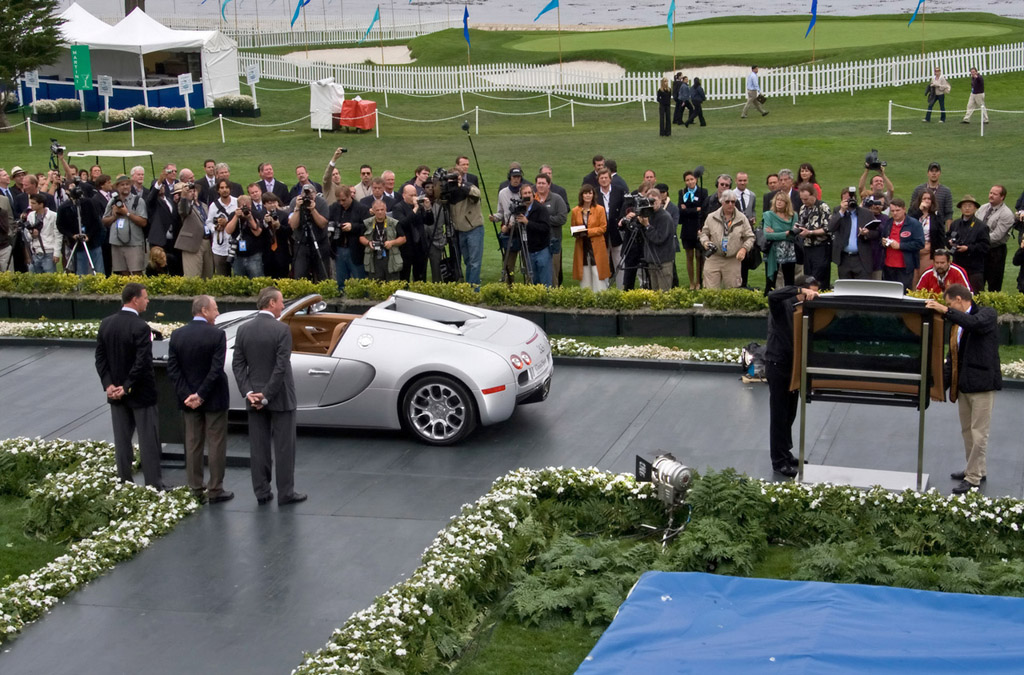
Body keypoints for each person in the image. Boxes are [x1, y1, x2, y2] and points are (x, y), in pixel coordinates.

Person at [232, 287, 306, 506]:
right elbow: (281, 367)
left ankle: (262, 493)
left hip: (254, 399)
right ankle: (286, 493)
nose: (283, 306)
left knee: (258, 447)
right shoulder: (282, 330)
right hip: (280, 398)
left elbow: (238, 364)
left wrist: (250, 393)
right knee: (284, 448)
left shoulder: (243, 329)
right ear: (271, 303)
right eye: (281, 302)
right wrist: (267, 395)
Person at [925, 285, 1000, 494]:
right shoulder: (956, 326)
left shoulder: (986, 314)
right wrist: (940, 387)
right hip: (965, 387)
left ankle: (973, 478)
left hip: (982, 386)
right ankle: (975, 469)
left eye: (950, 304)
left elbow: (974, 324)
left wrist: (946, 311)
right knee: (968, 432)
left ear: (959, 299)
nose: (948, 308)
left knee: (979, 434)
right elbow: (953, 360)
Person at [94, 283, 164, 489]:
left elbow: (100, 359)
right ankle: (153, 483)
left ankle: (124, 481)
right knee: (148, 440)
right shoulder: (141, 327)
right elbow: (142, 362)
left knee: (122, 441)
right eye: (145, 297)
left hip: (115, 395)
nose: (148, 300)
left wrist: (109, 385)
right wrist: (127, 386)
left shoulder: (106, 323)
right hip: (140, 393)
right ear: (135, 299)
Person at [167, 295, 233, 504]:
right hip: (213, 399)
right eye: (215, 309)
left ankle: (195, 488)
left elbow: (173, 370)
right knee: (216, 443)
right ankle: (215, 489)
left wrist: (189, 394)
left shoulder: (177, 335)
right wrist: (201, 394)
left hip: (188, 401)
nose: (217, 313)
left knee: (193, 443)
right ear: (204, 311)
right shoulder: (217, 335)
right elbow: (216, 369)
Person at [765, 278, 820, 478]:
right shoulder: (782, 305)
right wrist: (799, 289)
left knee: (789, 414)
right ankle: (778, 461)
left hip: (793, 367)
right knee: (779, 416)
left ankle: (785, 454)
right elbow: (772, 295)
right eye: (808, 294)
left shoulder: (803, 310)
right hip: (778, 365)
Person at [699, 189, 754, 289]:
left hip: (732, 259)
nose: (730, 204)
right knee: (710, 292)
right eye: (727, 202)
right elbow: (703, 234)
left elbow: (750, 237)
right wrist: (705, 242)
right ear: (722, 202)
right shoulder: (711, 217)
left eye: (733, 202)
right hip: (714, 258)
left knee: (731, 293)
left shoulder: (742, 218)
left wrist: (744, 249)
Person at [506, 184, 552, 286]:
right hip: (528, 250)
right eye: (525, 193)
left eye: (529, 193)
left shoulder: (540, 209)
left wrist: (528, 222)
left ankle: (547, 299)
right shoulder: (520, 210)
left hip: (541, 249)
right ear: (521, 196)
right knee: (533, 280)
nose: (527, 195)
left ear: (533, 194)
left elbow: (545, 228)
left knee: (545, 280)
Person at [102, 174, 148, 276]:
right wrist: (115, 216)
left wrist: (126, 213)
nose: (125, 187)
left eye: (127, 184)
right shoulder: (113, 201)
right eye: (122, 185)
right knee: (122, 273)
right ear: (117, 187)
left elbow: (143, 222)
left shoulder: (138, 201)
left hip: (134, 242)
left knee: (136, 271)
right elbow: (104, 221)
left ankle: (138, 291)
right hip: (116, 242)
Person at [829, 187, 878, 281]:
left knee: (863, 289)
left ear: (856, 199)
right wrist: (842, 211)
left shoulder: (866, 213)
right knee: (845, 290)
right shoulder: (838, 211)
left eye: (851, 199)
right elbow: (831, 228)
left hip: (861, 258)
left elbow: (876, 233)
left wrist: (867, 233)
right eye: (846, 200)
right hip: (844, 259)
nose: (849, 202)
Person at [448, 169, 485, 287]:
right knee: (468, 261)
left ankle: (473, 288)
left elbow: (477, 194)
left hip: (474, 228)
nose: (455, 181)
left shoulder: (469, 187)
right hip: (460, 231)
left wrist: (461, 186)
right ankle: (470, 285)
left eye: (457, 178)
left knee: (474, 262)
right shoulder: (450, 192)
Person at [878, 197, 924, 291]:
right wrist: (883, 242)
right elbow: (881, 239)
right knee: (888, 294)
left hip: (904, 268)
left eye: (897, 210)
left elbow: (920, 243)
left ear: (904, 209)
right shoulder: (888, 223)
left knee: (903, 294)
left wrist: (900, 246)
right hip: (888, 267)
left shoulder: (914, 224)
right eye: (892, 211)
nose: (895, 213)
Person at [328, 185, 368, 291]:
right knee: (340, 281)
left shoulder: (361, 209)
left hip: (355, 249)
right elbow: (329, 222)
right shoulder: (334, 208)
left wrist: (352, 226)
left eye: (344, 200)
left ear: (350, 196)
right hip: (339, 249)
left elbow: (367, 226)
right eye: (339, 200)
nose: (341, 203)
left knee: (359, 280)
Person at [570, 184, 609, 291]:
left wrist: (588, 232)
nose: (587, 196)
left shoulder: (600, 209)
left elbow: (603, 228)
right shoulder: (575, 211)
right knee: (584, 272)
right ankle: (586, 296)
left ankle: (600, 296)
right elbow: (573, 227)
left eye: (590, 193)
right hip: (582, 245)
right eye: (585, 193)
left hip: (596, 245)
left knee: (597, 272)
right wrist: (576, 232)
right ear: (581, 195)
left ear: (593, 195)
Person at [288, 184, 331, 282]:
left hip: (319, 243)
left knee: (322, 275)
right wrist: (297, 208)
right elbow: (293, 225)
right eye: (305, 193)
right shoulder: (295, 202)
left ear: (315, 193)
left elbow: (322, 224)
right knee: (300, 276)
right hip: (301, 244)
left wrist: (313, 210)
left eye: (310, 193)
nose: (308, 196)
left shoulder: (321, 203)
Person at [948, 195, 990, 293]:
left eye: (970, 206)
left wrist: (968, 248)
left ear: (975, 208)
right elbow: (948, 237)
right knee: (956, 293)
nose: (967, 208)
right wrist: (950, 243)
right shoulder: (955, 224)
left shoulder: (981, 226)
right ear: (960, 208)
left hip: (974, 268)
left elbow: (985, 246)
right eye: (964, 206)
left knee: (976, 295)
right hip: (958, 266)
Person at [977, 185, 1015, 292]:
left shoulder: (1006, 214)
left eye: (995, 194)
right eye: (990, 193)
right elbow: (974, 224)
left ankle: (993, 306)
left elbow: (997, 236)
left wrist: (978, 240)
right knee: (978, 282)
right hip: (980, 251)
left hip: (995, 252)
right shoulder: (983, 208)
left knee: (994, 285)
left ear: (1002, 197)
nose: (991, 195)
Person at [637, 189, 676, 290]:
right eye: (649, 201)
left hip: (663, 261)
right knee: (655, 293)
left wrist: (647, 226)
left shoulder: (665, 217)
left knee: (664, 294)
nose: (652, 203)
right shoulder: (648, 215)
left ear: (660, 200)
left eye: (654, 201)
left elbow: (659, 238)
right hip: (652, 260)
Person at [796, 182, 832, 288]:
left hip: (820, 247)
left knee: (819, 276)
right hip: (807, 248)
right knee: (808, 276)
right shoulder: (803, 208)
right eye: (802, 199)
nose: (804, 201)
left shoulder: (823, 207)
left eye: (806, 199)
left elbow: (828, 228)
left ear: (813, 195)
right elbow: (801, 223)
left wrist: (810, 232)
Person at [534, 174, 568, 286]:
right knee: (535, 274)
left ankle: (553, 298)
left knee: (553, 273)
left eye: (543, 183)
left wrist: (544, 220)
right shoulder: (532, 199)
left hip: (553, 242)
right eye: (539, 183)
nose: (541, 185)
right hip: (535, 244)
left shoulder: (557, 199)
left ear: (549, 185)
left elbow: (562, 218)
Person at [393, 184, 431, 282]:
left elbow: (429, 221)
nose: (414, 197)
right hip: (406, 247)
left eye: (415, 194)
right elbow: (403, 223)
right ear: (404, 195)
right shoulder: (398, 207)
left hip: (420, 246)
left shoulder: (420, 207)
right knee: (404, 276)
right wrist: (414, 209)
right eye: (411, 195)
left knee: (420, 276)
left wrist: (428, 209)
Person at [360, 200, 406, 281]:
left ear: (386, 210)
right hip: (373, 258)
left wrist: (392, 242)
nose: (380, 212)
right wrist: (368, 243)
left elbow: (403, 238)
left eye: (382, 209)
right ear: (373, 211)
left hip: (391, 257)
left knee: (392, 284)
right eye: (377, 210)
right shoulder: (367, 223)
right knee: (375, 284)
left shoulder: (394, 223)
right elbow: (361, 237)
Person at [677, 170, 708, 289]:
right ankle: (691, 282)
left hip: (698, 227)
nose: (690, 182)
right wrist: (695, 209)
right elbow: (681, 211)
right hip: (687, 228)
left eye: (692, 179)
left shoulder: (703, 191)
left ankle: (699, 281)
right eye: (687, 180)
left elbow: (703, 209)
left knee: (699, 256)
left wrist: (688, 210)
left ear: (695, 179)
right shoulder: (682, 192)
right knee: (689, 256)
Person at [763, 191, 799, 292]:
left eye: (782, 200)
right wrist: (785, 233)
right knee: (770, 281)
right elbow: (767, 235)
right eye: (777, 200)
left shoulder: (793, 216)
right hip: (772, 252)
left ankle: (789, 302)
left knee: (789, 281)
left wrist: (776, 232)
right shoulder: (768, 215)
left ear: (787, 203)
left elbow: (793, 235)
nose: (779, 202)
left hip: (789, 251)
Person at [910, 190, 945, 287]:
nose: (927, 201)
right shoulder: (914, 213)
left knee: (925, 276)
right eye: (924, 198)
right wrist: (919, 211)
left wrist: (940, 252)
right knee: (913, 279)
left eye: (929, 199)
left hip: (928, 250)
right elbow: (908, 224)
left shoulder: (936, 215)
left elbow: (941, 235)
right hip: (914, 250)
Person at [206, 178, 237, 276]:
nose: (224, 190)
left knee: (238, 275)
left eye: (227, 187)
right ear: (218, 190)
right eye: (222, 188)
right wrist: (216, 227)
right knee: (222, 277)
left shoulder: (237, 202)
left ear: (230, 189)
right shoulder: (213, 206)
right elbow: (209, 223)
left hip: (235, 245)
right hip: (220, 248)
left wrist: (227, 223)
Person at [910, 162, 954, 229]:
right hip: (919, 226)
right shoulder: (918, 190)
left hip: (938, 228)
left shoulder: (946, 191)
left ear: (940, 173)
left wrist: (949, 233)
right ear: (928, 173)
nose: (934, 173)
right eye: (932, 171)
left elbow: (948, 214)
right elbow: (911, 210)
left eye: (936, 171)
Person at [24, 193, 59, 273]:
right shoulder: (30, 215)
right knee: (34, 279)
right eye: (30, 202)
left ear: (41, 204)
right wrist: (32, 235)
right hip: (35, 252)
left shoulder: (53, 216)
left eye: (33, 203)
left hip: (48, 252)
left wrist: (56, 253)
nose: (31, 205)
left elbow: (57, 235)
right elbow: (27, 235)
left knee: (49, 279)